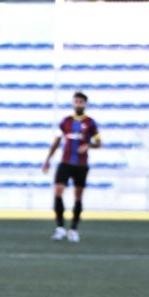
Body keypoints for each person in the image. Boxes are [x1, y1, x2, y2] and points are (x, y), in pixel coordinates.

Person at [42, 91, 101, 243]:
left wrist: (88, 145)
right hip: (65, 163)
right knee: (58, 192)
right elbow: (56, 141)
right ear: (73, 103)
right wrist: (48, 159)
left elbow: (99, 143)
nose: (78, 104)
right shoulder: (65, 122)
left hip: (81, 165)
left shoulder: (91, 123)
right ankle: (60, 228)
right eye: (76, 101)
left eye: (81, 102)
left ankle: (74, 229)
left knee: (78, 196)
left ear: (85, 104)